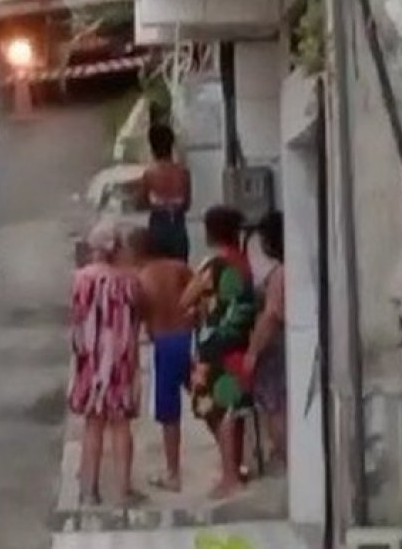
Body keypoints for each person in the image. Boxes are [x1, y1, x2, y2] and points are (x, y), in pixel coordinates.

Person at [180, 205, 258, 499]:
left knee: (217, 410)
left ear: (210, 232)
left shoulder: (213, 265)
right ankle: (233, 469)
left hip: (215, 346)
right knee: (232, 409)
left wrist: (198, 307)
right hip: (239, 343)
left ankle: (229, 476)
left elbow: (185, 298)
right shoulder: (243, 263)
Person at [68, 220, 142, 506]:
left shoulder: (81, 279)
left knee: (93, 425)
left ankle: (89, 491)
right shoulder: (129, 281)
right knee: (121, 425)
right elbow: (135, 320)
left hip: (90, 359)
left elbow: (76, 319)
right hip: (121, 358)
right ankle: (124, 490)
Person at [122, 226, 195, 493]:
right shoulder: (178, 268)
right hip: (188, 339)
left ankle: (173, 472)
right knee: (206, 398)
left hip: (164, 344)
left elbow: (137, 318)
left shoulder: (140, 279)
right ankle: (232, 461)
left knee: (169, 415)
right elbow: (199, 295)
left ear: (136, 251)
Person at [245, 210, 287, 469]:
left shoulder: (280, 274)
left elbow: (271, 315)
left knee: (275, 405)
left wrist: (253, 351)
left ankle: (284, 455)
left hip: (278, 344)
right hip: (291, 342)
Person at [142, 124, 191, 262]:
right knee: (180, 269)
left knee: (158, 267)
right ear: (171, 144)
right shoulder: (183, 173)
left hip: (158, 225)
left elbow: (144, 202)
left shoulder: (149, 174)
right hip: (177, 224)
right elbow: (187, 204)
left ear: (152, 146)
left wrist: (159, 204)